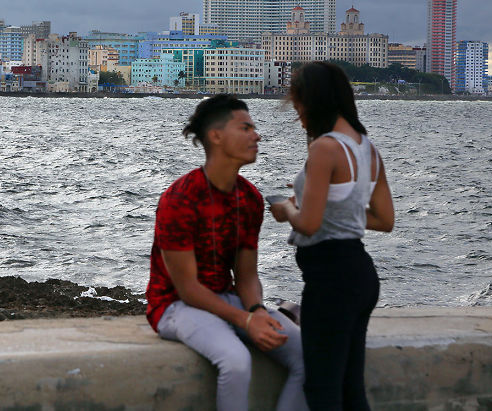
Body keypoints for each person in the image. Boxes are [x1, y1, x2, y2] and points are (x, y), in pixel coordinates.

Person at [146, 94, 307, 411]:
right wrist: (246, 322)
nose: (256, 135)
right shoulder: (179, 198)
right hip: (174, 306)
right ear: (216, 136)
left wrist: (258, 311)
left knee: (309, 354)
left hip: (227, 298)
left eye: (254, 128)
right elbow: (187, 289)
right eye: (245, 128)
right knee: (236, 361)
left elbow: (246, 276)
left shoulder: (249, 199)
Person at [269, 61, 395, 410]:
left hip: (331, 279)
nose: (299, 118)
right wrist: (325, 209)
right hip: (361, 275)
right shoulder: (368, 149)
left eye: (298, 108)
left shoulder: (324, 148)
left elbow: (308, 224)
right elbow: (384, 219)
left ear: (313, 102)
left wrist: (286, 209)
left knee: (322, 389)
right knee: (351, 388)